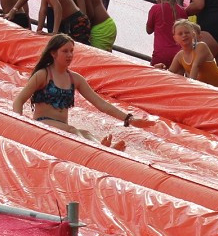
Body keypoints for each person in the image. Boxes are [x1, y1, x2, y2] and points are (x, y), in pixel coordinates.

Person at [12, 33, 145, 149]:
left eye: (71, 51)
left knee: (85, 133)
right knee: (73, 130)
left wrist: (129, 118)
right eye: (65, 51)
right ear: (53, 53)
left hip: (63, 127)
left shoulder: (75, 79)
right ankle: (98, 148)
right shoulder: (43, 75)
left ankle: (101, 147)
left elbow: (101, 104)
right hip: (42, 123)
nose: (70, 55)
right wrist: (19, 124)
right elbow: (19, 100)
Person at [162, 19, 218, 90]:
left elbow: (196, 66)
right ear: (175, 38)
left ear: (193, 34)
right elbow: (169, 73)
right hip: (207, 90)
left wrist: (189, 88)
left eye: (187, 32)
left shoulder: (201, 46)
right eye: (180, 34)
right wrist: (160, 69)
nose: (184, 35)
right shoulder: (179, 56)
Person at [146, 0, 186, 69]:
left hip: (160, 53)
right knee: (175, 81)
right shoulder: (182, 11)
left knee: (156, 80)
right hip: (178, 54)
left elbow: (148, 30)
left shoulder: (155, 9)